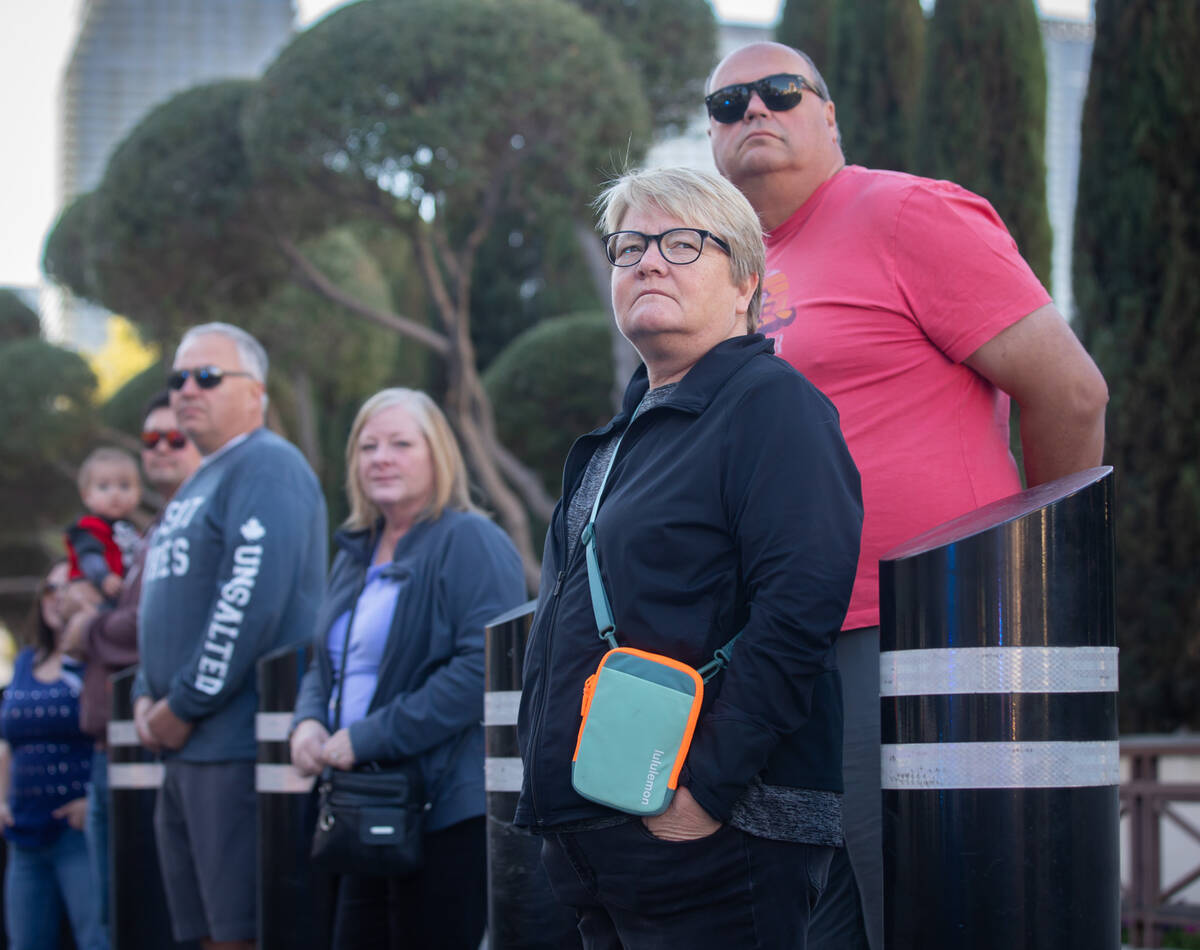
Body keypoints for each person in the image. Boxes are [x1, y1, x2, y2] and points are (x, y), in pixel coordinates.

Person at [706, 42, 1110, 950]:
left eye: (779, 92)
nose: (753, 113)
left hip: (916, 640)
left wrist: (1039, 596)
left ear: (830, 113)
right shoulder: (736, 273)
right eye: (728, 104)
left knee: (928, 914)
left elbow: (1072, 393)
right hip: (782, 651)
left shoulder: (905, 212)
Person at [515, 166, 863, 949]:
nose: (647, 261)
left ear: (747, 283)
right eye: (630, 245)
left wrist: (704, 791)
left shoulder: (774, 406)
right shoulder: (625, 431)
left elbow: (801, 610)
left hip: (713, 834)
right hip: (598, 831)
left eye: (680, 242)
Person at [289, 387, 525, 950]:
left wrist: (369, 737)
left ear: (436, 454)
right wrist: (305, 722)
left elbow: (483, 669)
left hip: (443, 809)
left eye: (400, 443)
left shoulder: (472, 541)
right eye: (368, 446)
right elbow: (326, 661)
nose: (381, 457)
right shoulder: (355, 551)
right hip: (358, 803)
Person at [132, 322, 328, 950]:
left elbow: (250, 600)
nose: (187, 389)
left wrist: (183, 703)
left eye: (208, 377)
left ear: (256, 393)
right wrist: (143, 693)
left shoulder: (267, 465)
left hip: (232, 744)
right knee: (197, 933)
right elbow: (161, 607)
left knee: (238, 933)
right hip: (183, 746)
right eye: (179, 378)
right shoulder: (198, 481)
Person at [61, 391, 202, 934]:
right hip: (110, 745)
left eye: (175, 436)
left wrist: (88, 627)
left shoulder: (187, 525)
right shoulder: (143, 533)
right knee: (113, 913)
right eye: (151, 438)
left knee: (142, 914)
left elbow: (148, 628)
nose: (162, 447)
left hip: (153, 745)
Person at [0, 560, 108, 950]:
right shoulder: (26, 661)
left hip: (76, 831)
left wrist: (93, 801)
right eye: (50, 589)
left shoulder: (95, 665)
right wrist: (2, 799)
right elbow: (10, 742)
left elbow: (112, 737)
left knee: (95, 938)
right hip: (24, 833)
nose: (57, 599)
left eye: (68, 588)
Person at [63, 447, 141, 604]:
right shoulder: (86, 529)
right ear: (86, 495)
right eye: (104, 487)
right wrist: (103, 577)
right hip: (92, 593)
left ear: (138, 493)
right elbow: (89, 556)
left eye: (124, 486)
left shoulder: (135, 532)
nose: (115, 494)